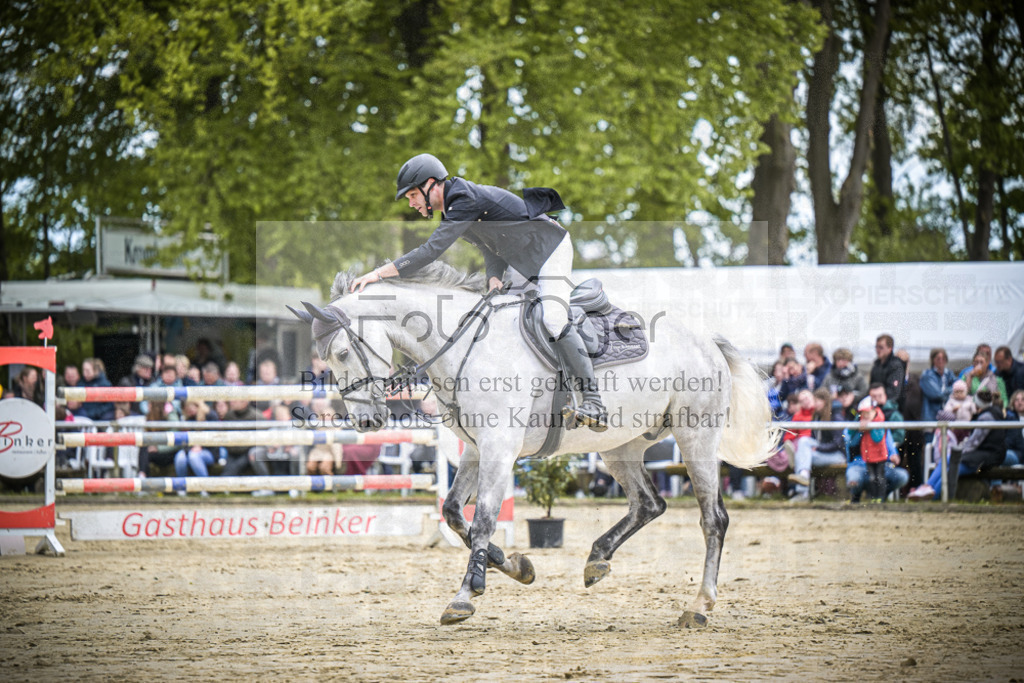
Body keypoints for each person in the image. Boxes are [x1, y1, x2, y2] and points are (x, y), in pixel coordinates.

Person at [348, 153, 607, 431]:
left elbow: (431, 251)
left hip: (550, 249)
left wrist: (378, 273)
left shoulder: (462, 200)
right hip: (523, 259)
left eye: (412, 195)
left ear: (431, 185)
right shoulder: (453, 207)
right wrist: (494, 275)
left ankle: (593, 401)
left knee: (553, 319)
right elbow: (489, 244)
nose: (411, 203)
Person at [909, 388, 1007, 500]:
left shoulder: (986, 417)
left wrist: (960, 451)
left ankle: (932, 495)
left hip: (986, 459)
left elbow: (974, 442)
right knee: (947, 459)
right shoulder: (991, 414)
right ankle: (927, 488)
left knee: (952, 468)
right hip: (984, 455)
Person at [845, 396, 908, 502]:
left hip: (880, 463)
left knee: (901, 476)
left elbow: (884, 441)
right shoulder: (854, 426)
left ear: (875, 412)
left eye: (868, 413)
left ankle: (880, 497)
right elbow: (850, 443)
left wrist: (893, 454)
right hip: (858, 465)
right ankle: (856, 497)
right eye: (863, 414)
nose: (865, 416)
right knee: (854, 480)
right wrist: (859, 431)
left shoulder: (881, 425)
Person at [788, 388, 846, 501]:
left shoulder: (835, 416)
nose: (814, 403)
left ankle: (802, 493)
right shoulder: (817, 416)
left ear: (824, 401)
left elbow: (838, 443)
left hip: (837, 455)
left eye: (817, 400)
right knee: (803, 441)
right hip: (823, 452)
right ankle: (803, 476)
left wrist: (819, 448)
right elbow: (814, 438)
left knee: (802, 457)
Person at [172, 399, 222, 490]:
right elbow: (185, 442)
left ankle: (205, 488)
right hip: (190, 450)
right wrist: (191, 448)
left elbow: (214, 438)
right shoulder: (187, 419)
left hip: (210, 451)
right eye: (186, 407)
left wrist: (200, 445)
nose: (189, 409)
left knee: (193, 457)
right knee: (180, 457)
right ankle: (182, 488)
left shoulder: (210, 415)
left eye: (191, 406)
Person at [138, 400, 181, 477]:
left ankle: (142, 475)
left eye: (150, 403)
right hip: (157, 452)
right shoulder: (151, 416)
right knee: (144, 447)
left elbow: (177, 442)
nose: (147, 406)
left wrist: (158, 448)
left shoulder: (171, 415)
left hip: (170, 453)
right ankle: (142, 475)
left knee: (147, 452)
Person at [920, 348, 956, 433]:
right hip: (932, 419)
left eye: (943, 358)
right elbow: (937, 395)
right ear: (933, 360)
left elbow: (959, 386)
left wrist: (951, 391)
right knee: (930, 445)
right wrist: (952, 391)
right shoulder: (927, 375)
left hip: (948, 419)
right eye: (938, 358)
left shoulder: (949, 374)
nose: (941, 361)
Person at [870, 334, 903, 403]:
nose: (877, 350)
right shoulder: (876, 365)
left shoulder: (896, 365)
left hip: (890, 405)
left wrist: (879, 399)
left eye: (881, 347)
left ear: (890, 348)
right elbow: (871, 385)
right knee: (856, 413)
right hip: (874, 402)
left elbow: (894, 391)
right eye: (876, 347)